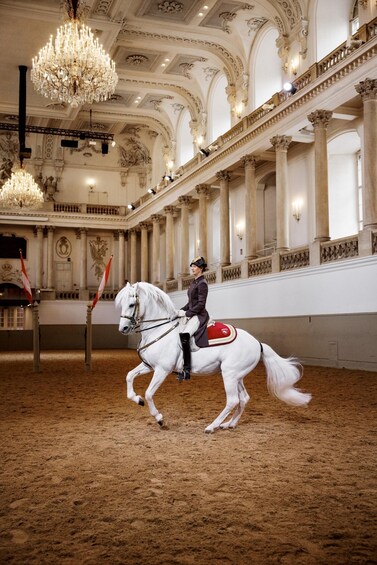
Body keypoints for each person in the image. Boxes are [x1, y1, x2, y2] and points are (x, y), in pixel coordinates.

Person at [176, 256, 209, 381]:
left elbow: (201, 305)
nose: (192, 268)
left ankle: (187, 369)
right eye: (192, 266)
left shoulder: (202, 283)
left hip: (199, 315)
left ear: (200, 269)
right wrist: (180, 311)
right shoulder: (194, 282)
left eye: (194, 266)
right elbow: (190, 302)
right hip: (192, 313)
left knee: (185, 335)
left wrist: (187, 313)